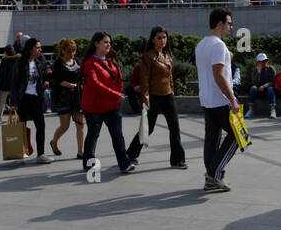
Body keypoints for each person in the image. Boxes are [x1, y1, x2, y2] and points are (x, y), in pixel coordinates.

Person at [126, 26, 186, 168]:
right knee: (148, 128)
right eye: (159, 38)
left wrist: (172, 91)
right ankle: (130, 154)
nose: (162, 40)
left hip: (168, 95)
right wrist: (145, 98)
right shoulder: (148, 56)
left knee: (175, 127)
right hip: (152, 96)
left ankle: (177, 160)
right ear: (153, 40)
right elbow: (144, 79)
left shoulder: (167, 55)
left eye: (164, 37)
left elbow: (169, 76)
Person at [196, 9, 240, 192]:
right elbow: (218, 75)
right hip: (220, 100)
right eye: (229, 23)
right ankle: (214, 173)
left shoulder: (201, 45)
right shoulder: (218, 45)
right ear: (220, 24)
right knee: (237, 135)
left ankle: (211, 178)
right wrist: (232, 99)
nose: (231, 27)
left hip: (207, 99)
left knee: (212, 140)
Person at [81, 31, 133, 175]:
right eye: (105, 42)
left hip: (112, 105)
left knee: (117, 135)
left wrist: (119, 93)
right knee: (93, 134)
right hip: (94, 106)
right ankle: (88, 162)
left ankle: (125, 164)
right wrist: (116, 94)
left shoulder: (111, 60)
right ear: (96, 43)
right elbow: (95, 84)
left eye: (109, 42)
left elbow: (118, 80)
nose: (108, 45)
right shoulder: (89, 63)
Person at [9, 37, 50, 163]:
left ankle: (41, 154)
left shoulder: (39, 62)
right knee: (21, 127)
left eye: (40, 47)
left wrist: (45, 83)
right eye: (37, 47)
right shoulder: (20, 62)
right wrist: (13, 103)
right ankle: (21, 154)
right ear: (31, 49)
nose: (40, 50)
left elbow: (42, 78)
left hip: (37, 98)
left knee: (41, 126)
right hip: (23, 99)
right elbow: (14, 83)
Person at [47, 39, 84, 158]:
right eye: (69, 51)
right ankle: (54, 142)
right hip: (63, 97)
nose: (72, 54)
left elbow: (82, 76)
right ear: (62, 50)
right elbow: (58, 81)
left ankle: (81, 152)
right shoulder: (58, 63)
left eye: (73, 51)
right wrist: (71, 85)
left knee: (80, 124)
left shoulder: (76, 61)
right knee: (65, 126)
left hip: (77, 96)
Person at [244, 53, 276, 119]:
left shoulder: (271, 69)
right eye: (262, 61)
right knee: (253, 88)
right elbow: (254, 82)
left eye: (265, 61)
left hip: (267, 90)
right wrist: (258, 73)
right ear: (258, 62)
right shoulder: (255, 70)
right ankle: (250, 110)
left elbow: (273, 81)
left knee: (271, 89)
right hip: (258, 90)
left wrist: (264, 86)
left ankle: (273, 111)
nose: (264, 62)